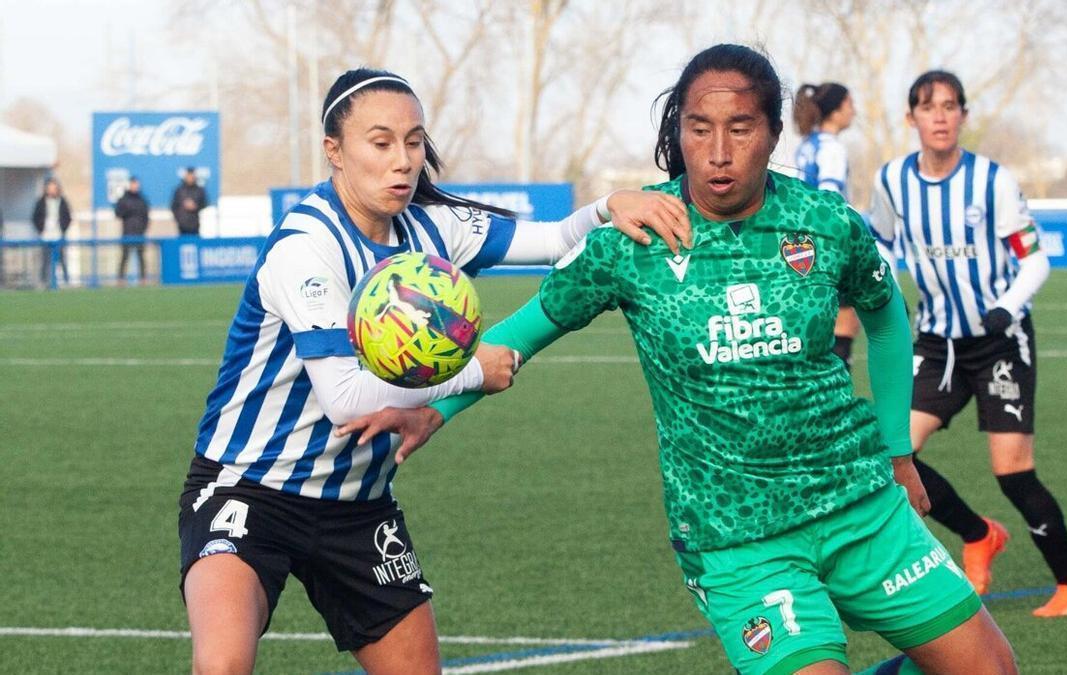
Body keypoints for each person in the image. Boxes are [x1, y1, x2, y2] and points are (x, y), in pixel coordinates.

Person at [342, 46, 1017, 675]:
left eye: (741, 127)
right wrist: (433, 406)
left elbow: (886, 313)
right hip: (739, 538)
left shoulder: (826, 222)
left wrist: (898, 451)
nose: (718, 152)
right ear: (679, 130)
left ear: (776, 133)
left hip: (862, 504)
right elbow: (519, 334)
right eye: (699, 128)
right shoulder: (633, 240)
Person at [176, 67, 691, 674]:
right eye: (381, 142)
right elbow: (345, 398)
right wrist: (473, 371)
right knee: (222, 668)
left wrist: (610, 206)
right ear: (334, 152)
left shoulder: (430, 226)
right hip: (249, 490)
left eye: (414, 142)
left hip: (357, 505)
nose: (403, 161)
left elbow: (554, 239)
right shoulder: (305, 248)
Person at [867, 70, 1067, 617]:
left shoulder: (991, 182)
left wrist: (1005, 309)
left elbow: (1035, 258)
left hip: (999, 342)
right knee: (894, 452)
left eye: (950, 106)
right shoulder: (892, 182)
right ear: (912, 118)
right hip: (937, 341)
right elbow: (879, 247)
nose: (940, 116)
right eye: (928, 107)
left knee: (1012, 471)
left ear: (963, 116)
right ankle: (977, 534)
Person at [794, 81, 860, 370]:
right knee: (845, 320)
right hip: (827, 244)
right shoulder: (832, 148)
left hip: (803, 243)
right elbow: (830, 199)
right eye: (850, 104)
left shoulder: (807, 144)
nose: (854, 111)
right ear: (836, 110)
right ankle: (834, 386)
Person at [32, 177, 72, 287]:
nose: (51, 190)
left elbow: (68, 217)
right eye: (49, 188)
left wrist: (62, 228)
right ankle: (43, 281)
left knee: (62, 259)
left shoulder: (62, 201)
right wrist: (41, 228)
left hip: (58, 234)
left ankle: (65, 280)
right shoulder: (41, 202)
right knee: (45, 260)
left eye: (53, 188)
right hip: (46, 235)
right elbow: (35, 217)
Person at [114, 177, 150, 285]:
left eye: (136, 184)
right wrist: (127, 210)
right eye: (133, 184)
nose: (135, 186)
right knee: (125, 256)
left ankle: (143, 279)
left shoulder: (142, 199)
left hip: (139, 232)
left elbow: (146, 216)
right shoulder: (124, 199)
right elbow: (118, 213)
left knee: (141, 256)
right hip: (127, 232)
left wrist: (143, 228)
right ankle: (121, 279)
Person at [171, 166, 208, 236]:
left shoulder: (199, 190)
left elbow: (204, 203)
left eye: (192, 176)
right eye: (188, 176)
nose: (190, 178)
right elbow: (173, 206)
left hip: (195, 224)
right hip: (182, 225)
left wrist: (195, 206)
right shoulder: (179, 190)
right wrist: (179, 219)